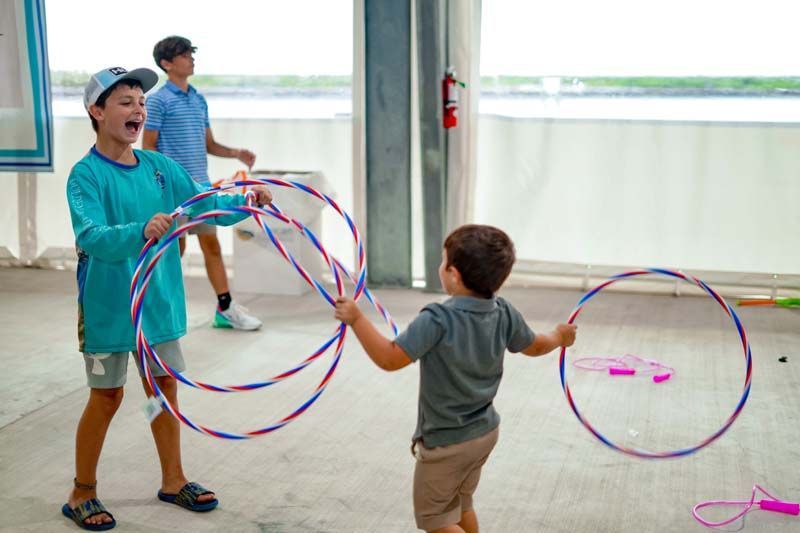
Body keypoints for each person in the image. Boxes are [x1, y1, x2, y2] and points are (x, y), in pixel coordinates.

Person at [63, 66, 272, 531]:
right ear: (97, 112)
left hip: (157, 305)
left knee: (162, 390)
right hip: (108, 308)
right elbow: (92, 237)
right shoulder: (85, 176)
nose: (138, 108)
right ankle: (83, 490)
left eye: (141, 101)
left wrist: (244, 201)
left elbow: (203, 204)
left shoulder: (160, 169)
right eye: (125, 101)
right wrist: (140, 229)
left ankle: (173, 479)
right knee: (108, 397)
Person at [334, 224, 577, 533]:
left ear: (453, 274)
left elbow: (389, 358)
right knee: (460, 505)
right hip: (484, 434)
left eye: (442, 260)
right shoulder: (504, 311)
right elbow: (535, 345)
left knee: (436, 521)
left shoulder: (437, 318)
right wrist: (559, 335)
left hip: (447, 443)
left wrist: (356, 319)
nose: (440, 266)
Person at [143, 35, 261, 331]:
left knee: (212, 245)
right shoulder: (157, 101)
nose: (191, 58)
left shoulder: (198, 99)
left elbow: (208, 144)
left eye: (191, 53)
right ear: (166, 63)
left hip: (202, 189)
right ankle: (156, 308)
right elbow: (148, 150)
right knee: (175, 251)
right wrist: (161, 190)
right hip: (173, 193)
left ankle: (225, 309)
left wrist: (236, 153)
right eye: (184, 54)